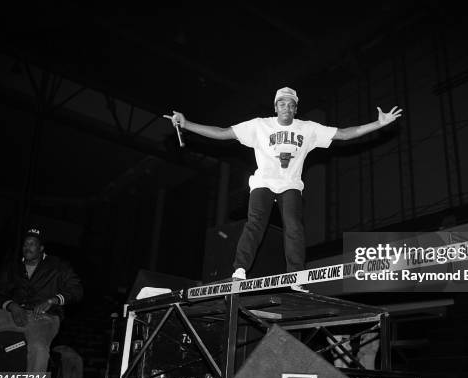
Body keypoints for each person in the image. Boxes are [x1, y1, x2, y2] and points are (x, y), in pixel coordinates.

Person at [169, 87, 402, 291]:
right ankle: (239, 270)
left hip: (290, 184)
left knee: (293, 224)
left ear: (295, 109)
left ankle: (295, 275)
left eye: (291, 105)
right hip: (263, 182)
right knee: (256, 222)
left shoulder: (308, 129)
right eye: (282, 104)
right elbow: (222, 133)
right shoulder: (259, 125)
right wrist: (186, 124)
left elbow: (342, 134)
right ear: (276, 106)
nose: (286, 108)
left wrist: (378, 124)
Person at [0, 227, 83, 378]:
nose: (27, 247)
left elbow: (77, 290)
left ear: (41, 248)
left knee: (39, 349)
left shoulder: (58, 266)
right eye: (25, 244)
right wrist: (12, 306)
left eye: (32, 244)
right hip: (12, 312)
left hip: (44, 318)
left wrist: (53, 300)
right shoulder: (12, 266)